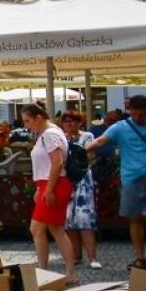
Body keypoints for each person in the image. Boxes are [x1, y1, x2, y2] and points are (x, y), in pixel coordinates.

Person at [85, 94, 146, 268]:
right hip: (131, 177)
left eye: (141, 114)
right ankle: (140, 258)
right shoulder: (121, 127)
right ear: (130, 111)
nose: (138, 118)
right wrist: (83, 150)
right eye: (135, 114)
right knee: (135, 218)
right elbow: (101, 140)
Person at [20, 103, 77, 284]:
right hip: (51, 183)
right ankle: (67, 272)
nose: (27, 125)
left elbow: (57, 163)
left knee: (37, 228)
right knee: (56, 229)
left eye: (28, 121)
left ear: (39, 117)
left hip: (54, 184)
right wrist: (41, 187)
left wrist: (49, 188)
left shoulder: (49, 134)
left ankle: (44, 271)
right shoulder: (51, 132)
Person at [59, 111, 101, 270]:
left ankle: (93, 257)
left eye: (72, 121)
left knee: (84, 218)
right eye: (66, 121)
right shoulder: (61, 137)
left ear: (79, 123)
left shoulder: (87, 136)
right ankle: (76, 255)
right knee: (69, 219)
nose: (69, 124)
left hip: (83, 180)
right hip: (67, 179)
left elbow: (89, 156)